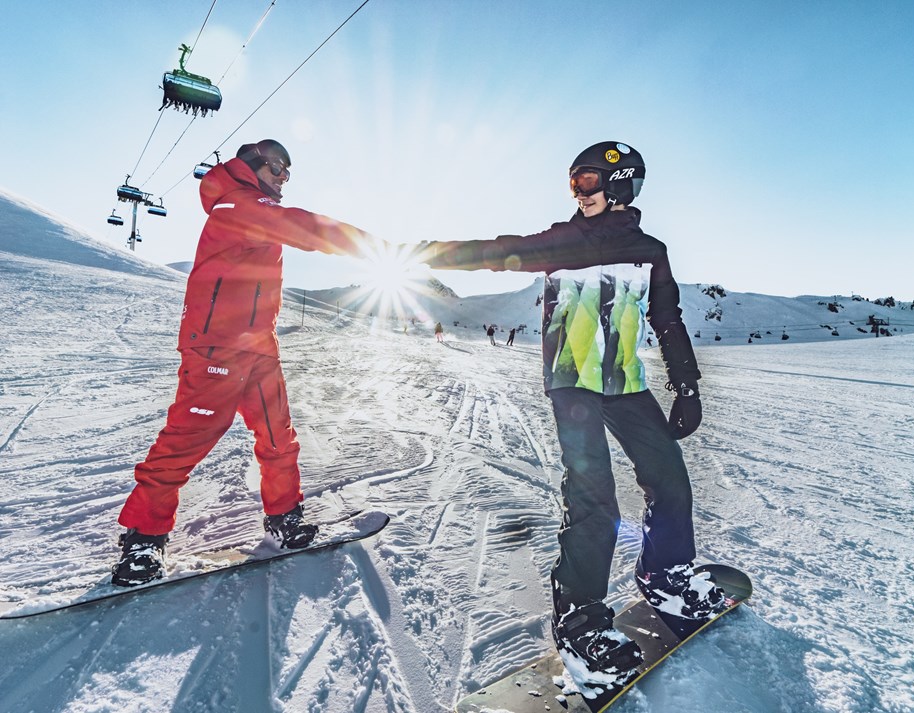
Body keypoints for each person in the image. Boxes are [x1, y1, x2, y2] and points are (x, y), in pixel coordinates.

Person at [417, 141, 726, 687]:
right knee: (593, 493)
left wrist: (686, 385)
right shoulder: (560, 242)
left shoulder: (650, 251)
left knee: (670, 478)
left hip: (625, 383)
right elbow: (495, 249)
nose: (578, 193)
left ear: (619, 184)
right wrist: (425, 253)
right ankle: (580, 615)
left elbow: (668, 318)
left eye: (585, 182)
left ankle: (666, 573)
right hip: (573, 382)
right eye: (573, 184)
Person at [112, 139, 375, 587]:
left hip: (259, 348)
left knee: (278, 438)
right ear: (253, 165)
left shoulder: (254, 206)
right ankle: (143, 539)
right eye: (278, 169)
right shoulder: (235, 205)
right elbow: (300, 226)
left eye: (289, 174)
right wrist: (369, 245)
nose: (283, 180)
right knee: (184, 443)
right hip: (217, 346)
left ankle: (284, 519)